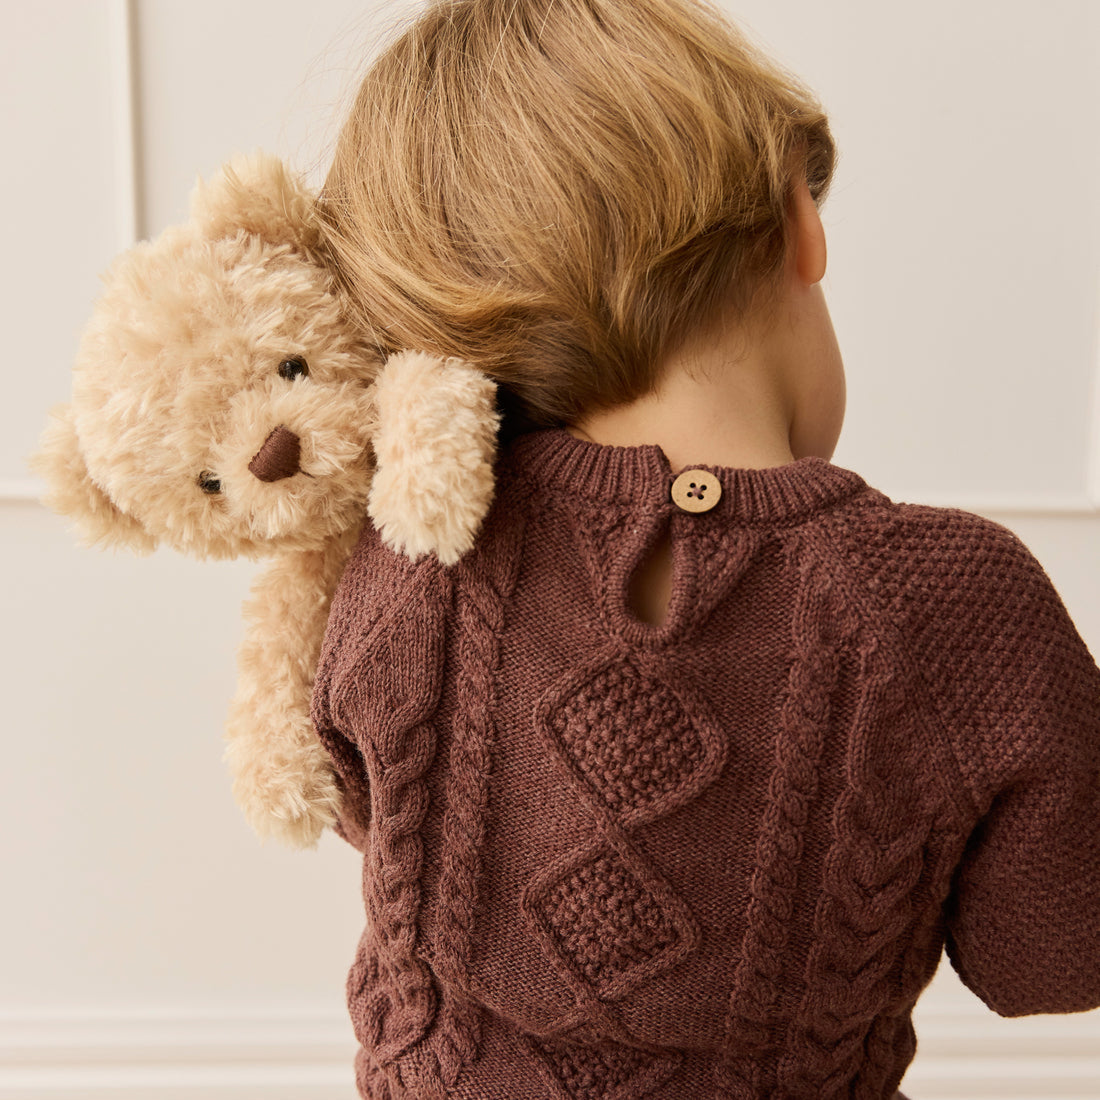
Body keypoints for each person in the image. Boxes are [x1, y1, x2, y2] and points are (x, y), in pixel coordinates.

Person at [310, 1, 1100, 1096]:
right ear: (795, 220)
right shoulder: (949, 603)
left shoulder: (410, 563)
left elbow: (370, 811)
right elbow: (1047, 960)